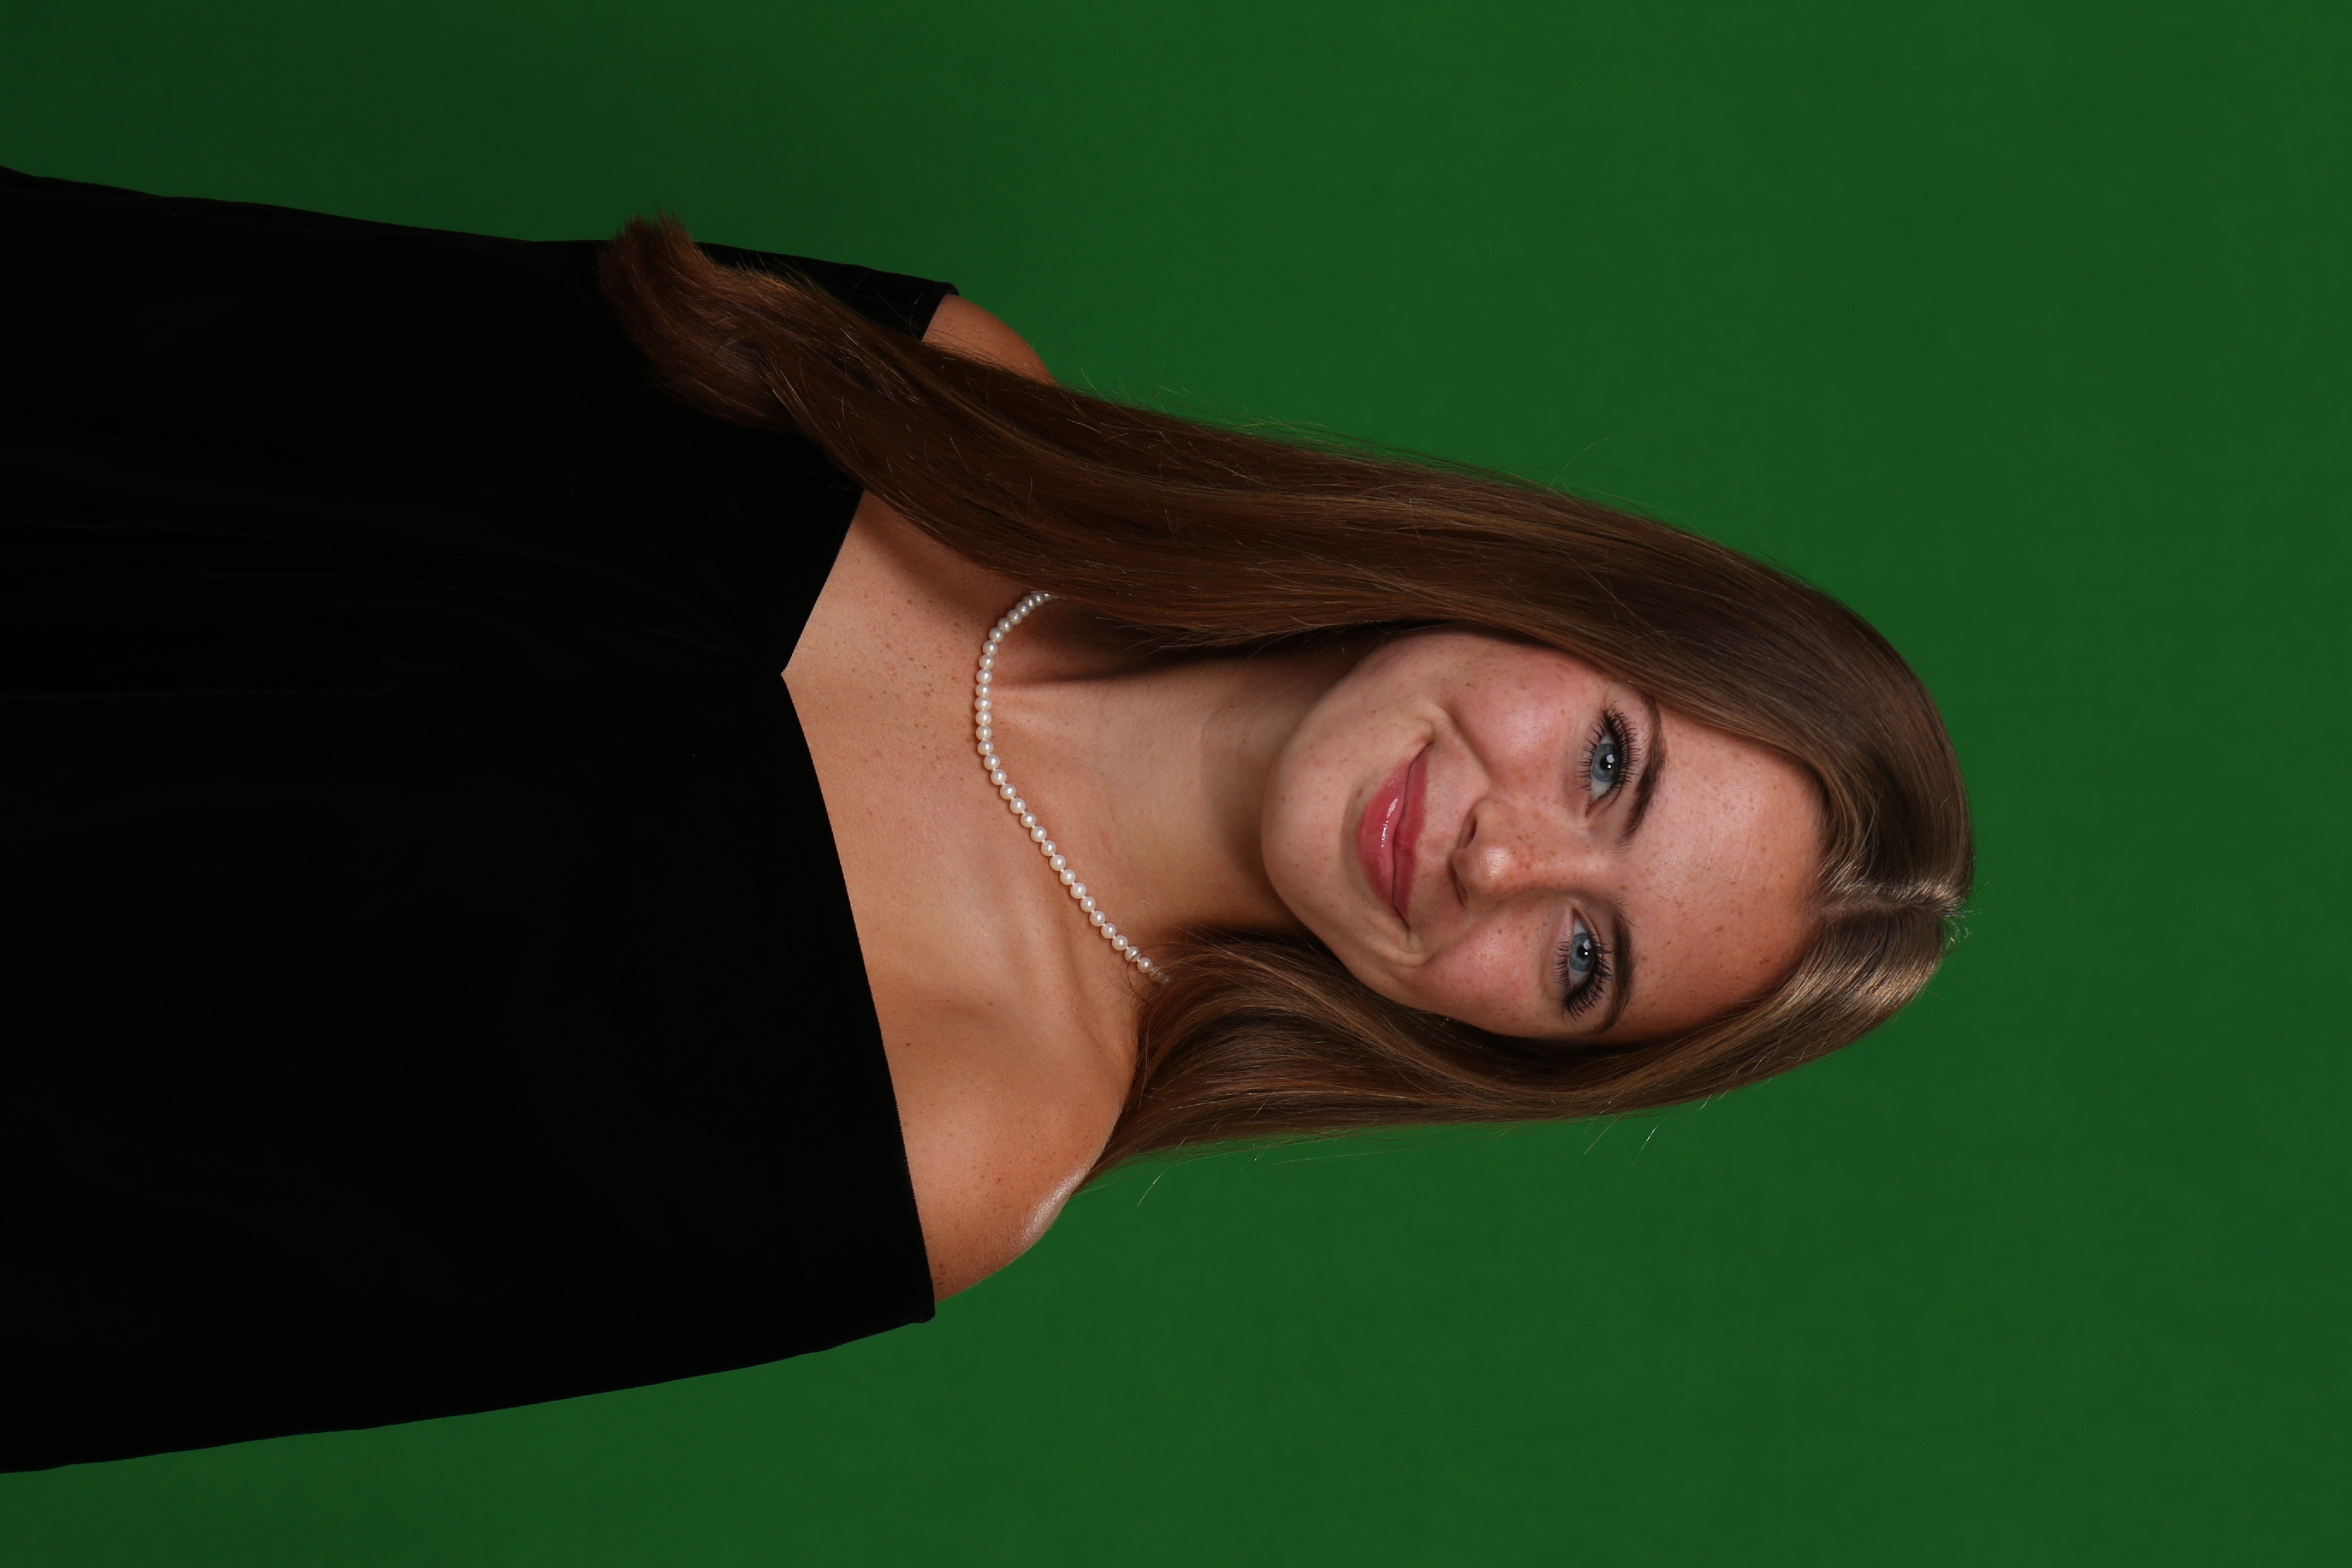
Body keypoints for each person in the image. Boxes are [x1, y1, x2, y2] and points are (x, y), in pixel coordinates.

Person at [0, 168, 1970, 1471]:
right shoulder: (954, 399)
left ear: (1502, 1046)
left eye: (1582, 958)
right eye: (1609, 765)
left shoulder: (960, 1135)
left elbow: (148, 1297)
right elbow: (168, 324)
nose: (1503, 860)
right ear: (1564, 600)